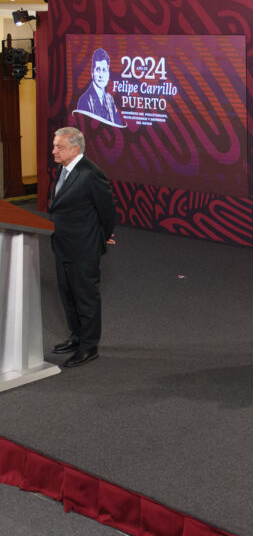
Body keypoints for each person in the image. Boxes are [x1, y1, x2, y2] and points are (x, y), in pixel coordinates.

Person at [49, 126, 116, 367]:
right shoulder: (64, 168)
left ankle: (89, 347)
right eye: (55, 145)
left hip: (83, 248)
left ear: (75, 149)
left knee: (86, 297)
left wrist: (101, 236)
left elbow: (107, 211)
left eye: (59, 147)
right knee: (68, 295)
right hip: (62, 244)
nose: (54, 150)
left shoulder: (90, 174)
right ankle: (76, 337)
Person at [75, 48, 125, 127]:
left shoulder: (109, 99)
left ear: (108, 74)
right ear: (92, 73)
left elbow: (119, 126)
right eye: (98, 70)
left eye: (104, 70)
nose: (101, 75)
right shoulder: (85, 100)